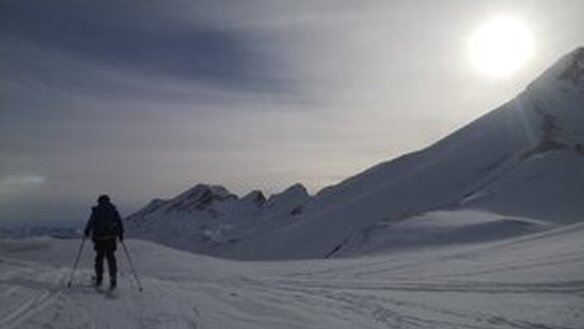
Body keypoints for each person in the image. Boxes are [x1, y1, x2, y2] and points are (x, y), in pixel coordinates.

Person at [84, 194, 124, 290]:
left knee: (99, 258)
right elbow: (119, 223)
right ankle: (113, 279)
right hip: (111, 238)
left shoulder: (96, 210)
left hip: (99, 239)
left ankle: (99, 278)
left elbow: (91, 222)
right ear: (108, 200)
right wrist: (120, 234)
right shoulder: (113, 210)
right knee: (111, 258)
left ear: (99, 201)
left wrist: (87, 231)